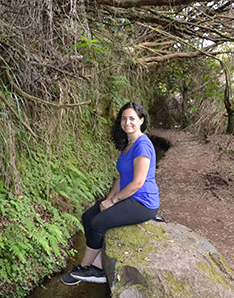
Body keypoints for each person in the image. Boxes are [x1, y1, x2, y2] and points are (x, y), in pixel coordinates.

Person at [62, 101, 160, 285]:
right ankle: (95, 265)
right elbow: (121, 177)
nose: (127, 122)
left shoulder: (142, 145)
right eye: (124, 119)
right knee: (88, 216)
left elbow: (138, 182)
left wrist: (114, 201)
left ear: (141, 120)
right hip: (129, 197)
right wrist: (107, 199)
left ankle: (89, 269)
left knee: (98, 223)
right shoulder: (128, 145)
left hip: (143, 202)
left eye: (132, 118)